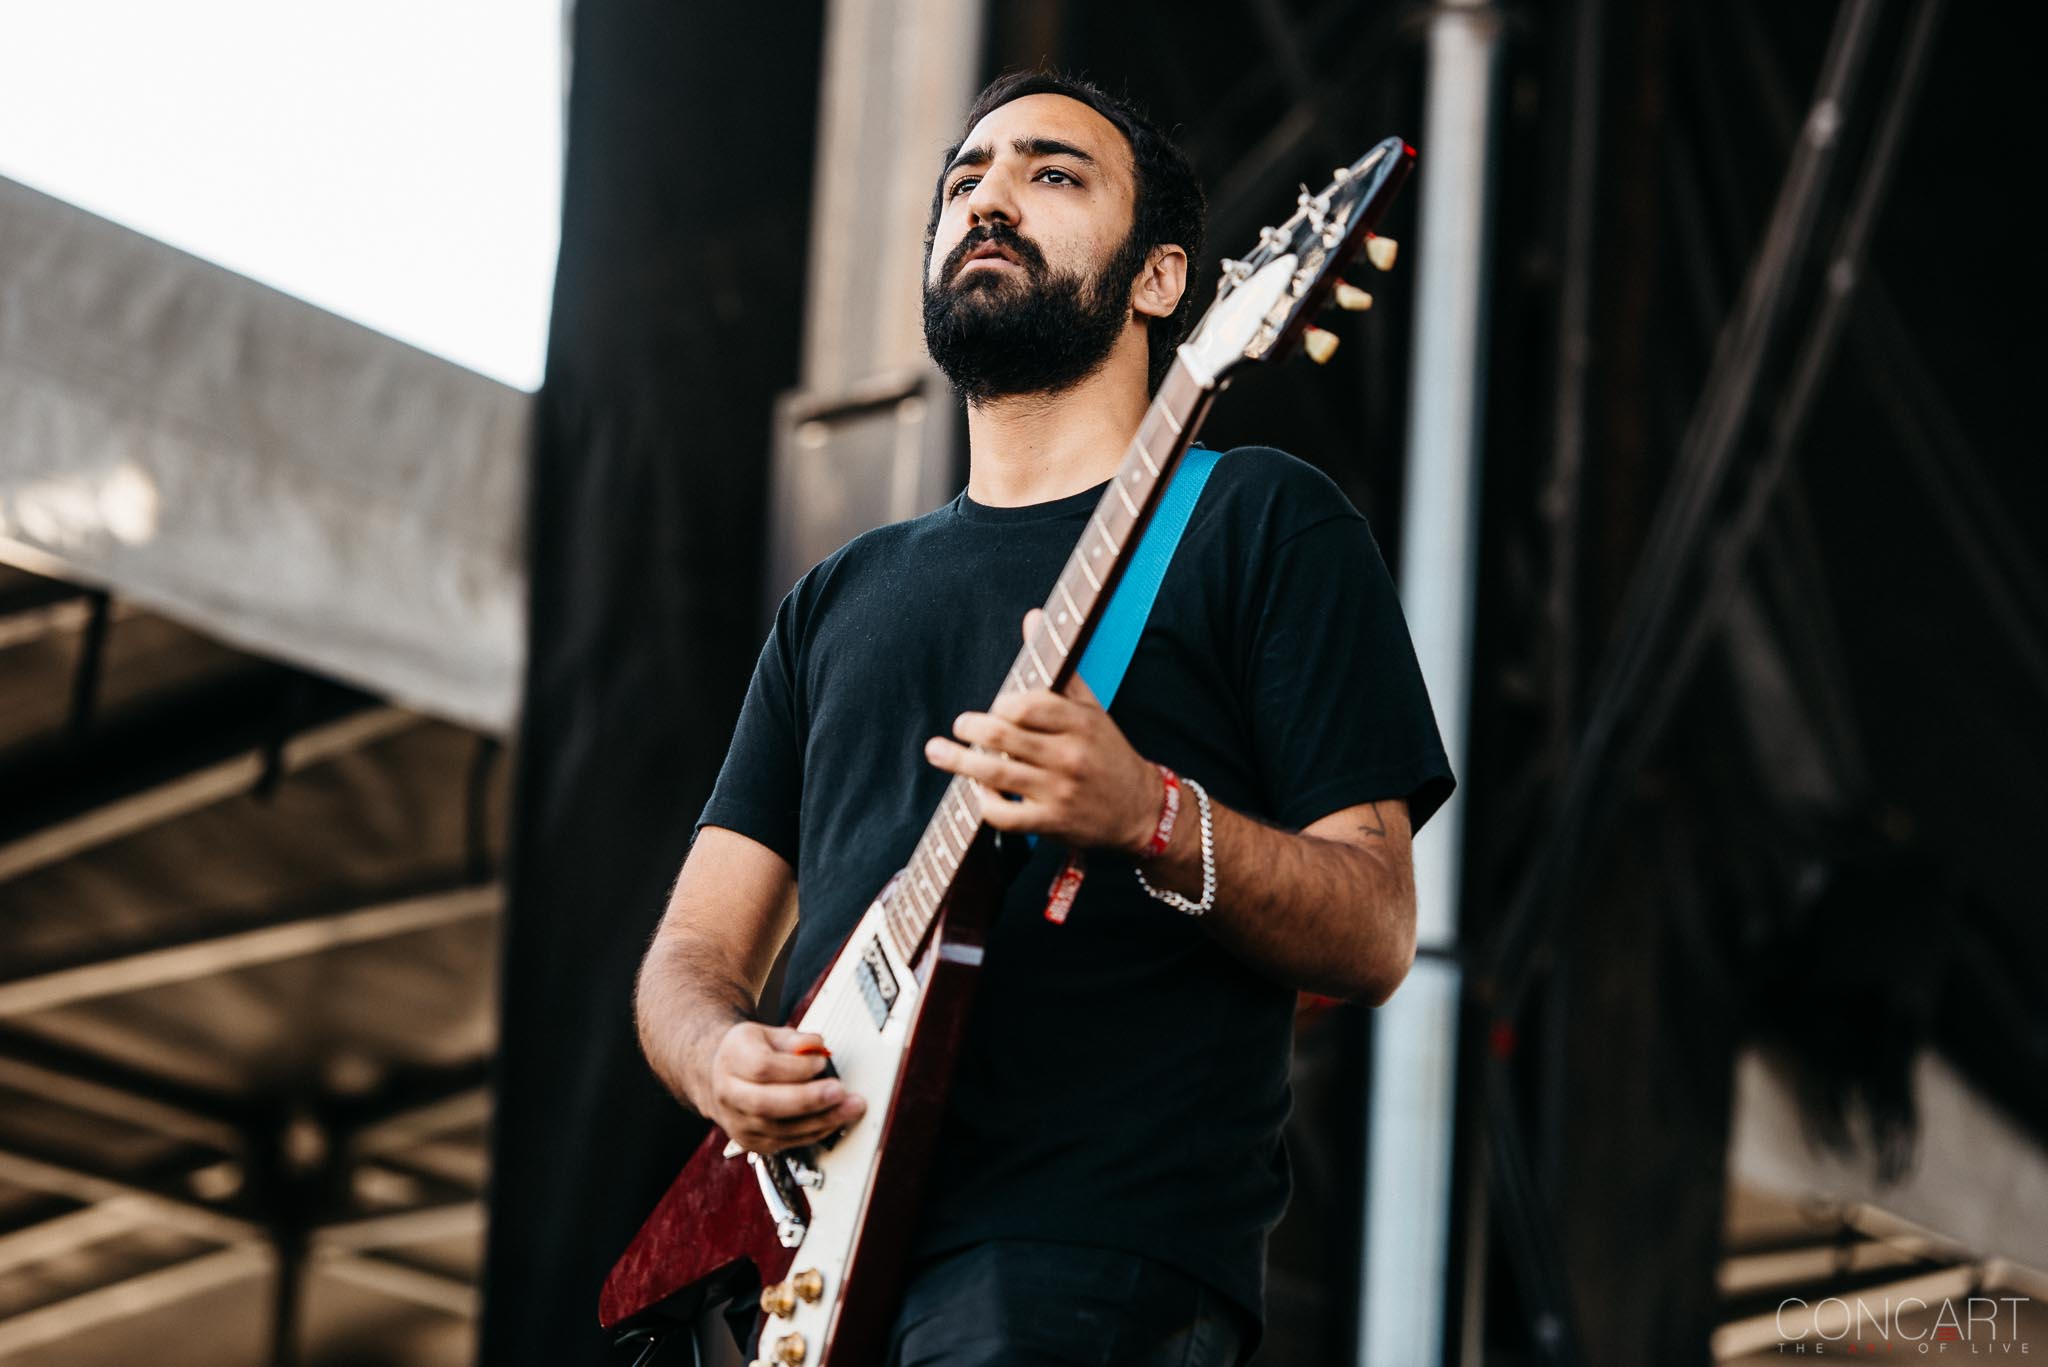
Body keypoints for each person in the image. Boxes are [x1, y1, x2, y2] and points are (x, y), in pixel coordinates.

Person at [633, 70, 1455, 1367]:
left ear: (1165, 283)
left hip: (1089, 1257)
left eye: (1052, 175)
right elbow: (690, 954)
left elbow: (1374, 926)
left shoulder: (1254, 520)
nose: (990, 201)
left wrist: (1147, 814)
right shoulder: (836, 600)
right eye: (965, 179)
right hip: (806, 1275)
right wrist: (714, 1057)